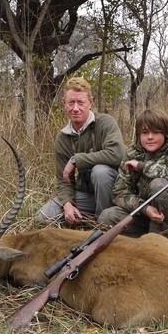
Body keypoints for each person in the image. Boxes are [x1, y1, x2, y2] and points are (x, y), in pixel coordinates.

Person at [36, 77, 126, 224]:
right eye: (71, 103)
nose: (75, 108)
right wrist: (67, 204)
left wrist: (76, 160)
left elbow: (117, 154)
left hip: (114, 195)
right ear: (65, 103)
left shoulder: (105, 123)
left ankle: (104, 224)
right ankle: (86, 217)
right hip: (87, 196)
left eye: (81, 102)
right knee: (43, 216)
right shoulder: (62, 138)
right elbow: (63, 180)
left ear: (90, 102)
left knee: (100, 172)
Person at [98, 108, 168, 239]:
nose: (150, 137)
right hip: (144, 213)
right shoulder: (132, 153)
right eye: (144, 132)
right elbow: (119, 193)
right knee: (106, 217)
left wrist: (141, 166)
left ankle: (158, 242)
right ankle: (144, 239)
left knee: (159, 185)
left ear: (165, 133)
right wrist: (145, 208)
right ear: (138, 135)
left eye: (156, 132)